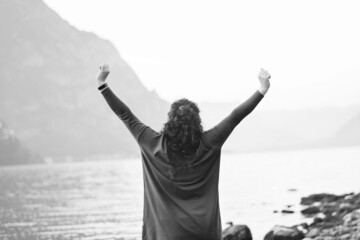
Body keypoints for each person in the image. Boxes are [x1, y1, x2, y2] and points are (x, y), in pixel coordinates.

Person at [96, 64, 271, 240]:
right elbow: (235, 116)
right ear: (197, 121)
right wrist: (262, 88)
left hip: (166, 233)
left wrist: (102, 83)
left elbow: (125, 114)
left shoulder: (152, 143)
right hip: (204, 232)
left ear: (170, 120)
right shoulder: (209, 142)